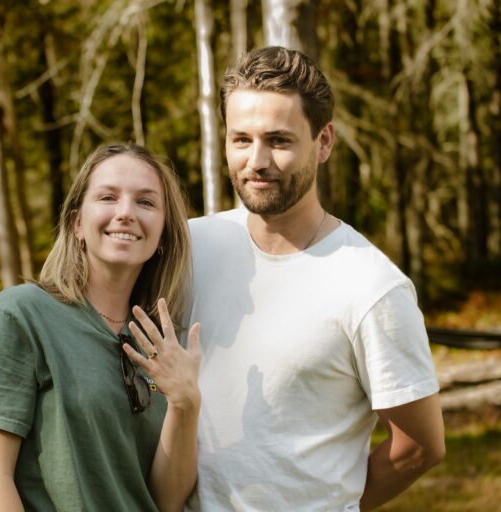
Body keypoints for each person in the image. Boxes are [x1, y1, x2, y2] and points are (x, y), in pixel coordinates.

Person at [185, 46, 445, 511]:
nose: (256, 161)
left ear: (324, 142)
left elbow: (421, 445)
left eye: (279, 141)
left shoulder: (371, 286)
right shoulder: (191, 246)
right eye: (241, 139)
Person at [0, 143, 202, 512]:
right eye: (108, 197)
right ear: (77, 222)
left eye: (145, 202)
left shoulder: (162, 341)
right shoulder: (21, 316)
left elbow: (165, 499)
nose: (126, 213)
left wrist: (185, 404)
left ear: (162, 234)